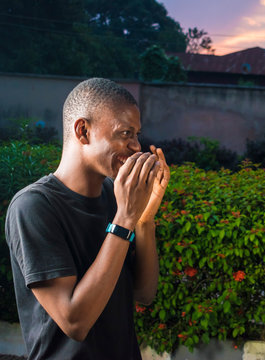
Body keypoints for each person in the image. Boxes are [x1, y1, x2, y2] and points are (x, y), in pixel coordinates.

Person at [5, 78, 170, 359]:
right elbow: (75, 322)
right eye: (125, 133)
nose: (136, 147)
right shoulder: (33, 206)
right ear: (83, 131)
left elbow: (144, 293)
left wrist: (144, 221)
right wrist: (125, 219)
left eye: (137, 134)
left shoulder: (115, 196)